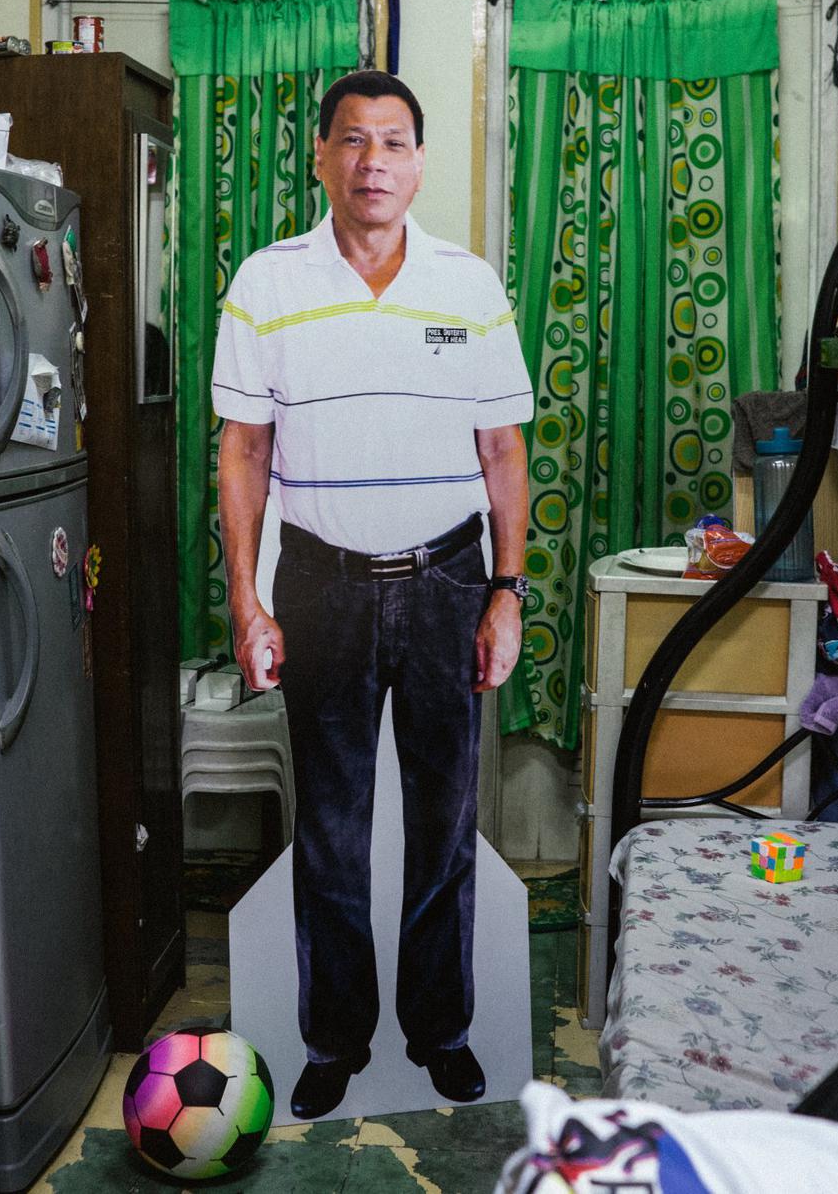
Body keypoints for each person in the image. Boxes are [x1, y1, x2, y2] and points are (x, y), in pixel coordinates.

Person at [212, 70, 533, 1119]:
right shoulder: (266, 282)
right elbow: (242, 451)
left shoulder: (469, 285)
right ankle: (334, 1039)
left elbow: (503, 453)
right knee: (333, 826)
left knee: (442, 822)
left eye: (393, 142)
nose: (372, 163)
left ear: (418, 161)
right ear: (319, 157)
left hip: (446, 578)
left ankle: (439, 1032)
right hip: (320, 580)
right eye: (351, 141)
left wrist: (505, 592)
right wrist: (248, 599)